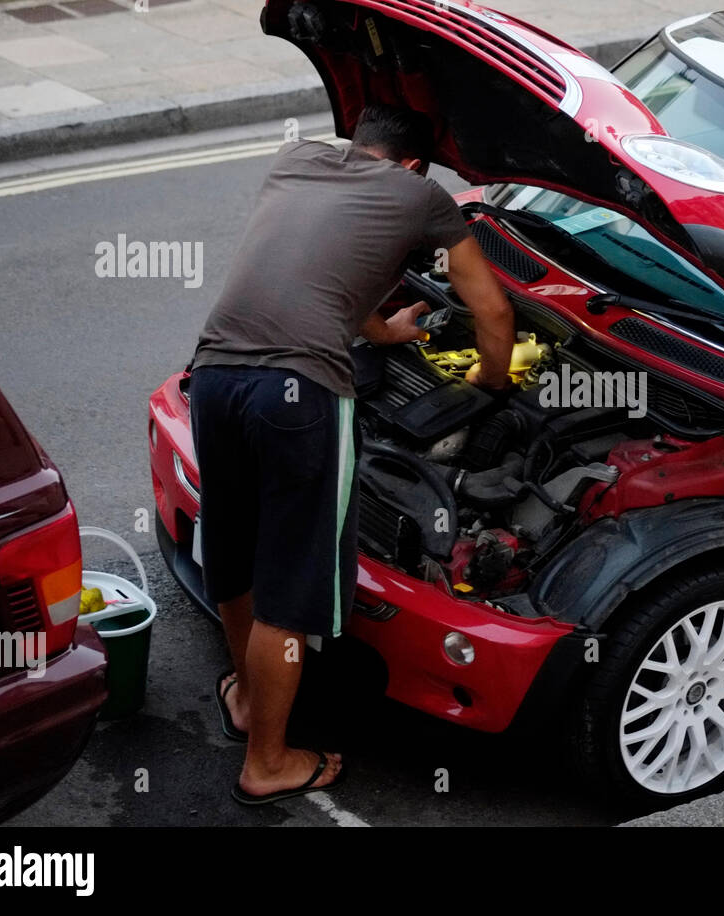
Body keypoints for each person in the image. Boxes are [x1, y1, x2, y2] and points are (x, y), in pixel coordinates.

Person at [187, 103, 514, 804]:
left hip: (214, 375)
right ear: (414, 166)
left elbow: (321, 266)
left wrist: (382, 332)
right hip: (297, 396)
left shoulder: (295, 161)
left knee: (236, 554)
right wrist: (490, 384)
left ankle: (247, 699)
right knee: (290, 592)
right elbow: (490, 310)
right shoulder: (422, 194)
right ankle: (266, 762)